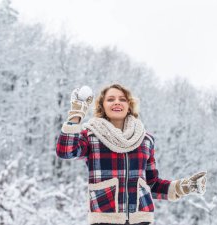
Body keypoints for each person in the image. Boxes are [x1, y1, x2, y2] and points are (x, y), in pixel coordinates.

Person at [56, 84, 207, 225]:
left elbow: (152, 184)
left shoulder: (145, 140)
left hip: (141, 219)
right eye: (110, 99)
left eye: (122, 99)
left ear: (129, 106)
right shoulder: (91, 136)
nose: (117, 102)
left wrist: (183, 187)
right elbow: (66, 151)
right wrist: (76, 114)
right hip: (105, 219)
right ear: (102, 106)